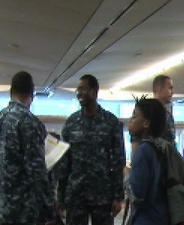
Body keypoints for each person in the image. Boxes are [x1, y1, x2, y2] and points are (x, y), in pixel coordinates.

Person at [56, 74, 125, 225]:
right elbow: (64, 162)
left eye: (83, 89)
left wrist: (118, 196)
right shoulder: (71, 123)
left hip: (102, 194)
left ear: (94, 91)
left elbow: (118, 161)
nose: (79, 93)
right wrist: (60, 196)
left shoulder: (110, 122)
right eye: (78, 90)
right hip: (76, 195)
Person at [0, 71, 55, 225]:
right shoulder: (29, 122)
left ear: (11, 92)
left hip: (4, 205)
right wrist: (49, 207)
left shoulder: (1, 117)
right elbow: (36, 170)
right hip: (24, 208)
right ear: (32, 94)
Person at [128, 98, 170, 225]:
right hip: (161, 215)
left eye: (134, 116)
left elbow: (137, 194)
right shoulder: (162, 146)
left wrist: (126, 174)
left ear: (146, 123)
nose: (131, 120)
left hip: (146, 218)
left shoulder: (144, 150)